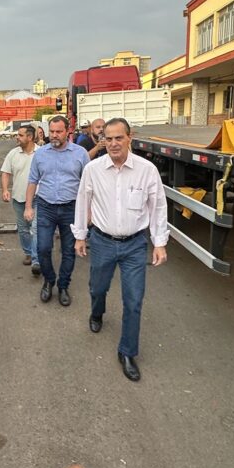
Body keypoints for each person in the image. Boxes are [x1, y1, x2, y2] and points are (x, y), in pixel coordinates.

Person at [72, 118, 168, 382]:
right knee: (98, 288)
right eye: (108, 138)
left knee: (134, 301)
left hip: (135, 245)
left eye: (118, 138)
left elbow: (158, 205)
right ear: (103, 140)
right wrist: (80, 236)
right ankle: (96, 311)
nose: (113, 143)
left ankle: (127, 352)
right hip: (102, 241)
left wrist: (159, 242)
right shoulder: (93, 169)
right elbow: (83, 202)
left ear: (129, 138)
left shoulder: (147, 170)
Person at [24, 115, 90, 306]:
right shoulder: (41, 154)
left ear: (68, 132)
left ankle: (63, 286)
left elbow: (88, 184)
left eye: (58, 131)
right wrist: (28, 206)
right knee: (43, 248)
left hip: (71, 208)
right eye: (52, 131)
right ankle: (49, 280)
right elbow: (32, 181)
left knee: (69, 251)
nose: (54, 135)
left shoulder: (80, 154)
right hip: (45, 206)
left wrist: (89, 211)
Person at [1, 125, 39, 269]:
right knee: (23, 229)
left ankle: (36, 260)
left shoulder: (41, 153)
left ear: (30, 137)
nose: (17, 137)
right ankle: (29, 253)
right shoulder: (13, 153)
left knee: (35, 229)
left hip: (38, 198)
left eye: (20, 135)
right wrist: (5, 189)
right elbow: (5, 172)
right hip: (18, 198)